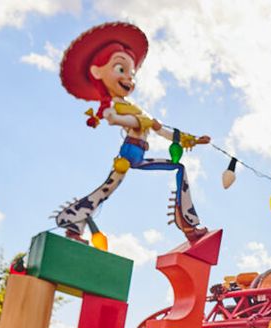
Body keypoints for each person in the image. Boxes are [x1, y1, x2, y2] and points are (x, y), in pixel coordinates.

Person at [55, 22, 209, 241]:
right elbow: (112, 119)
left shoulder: (138, 111)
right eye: (121, 69)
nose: (129, 78)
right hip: (128, 155)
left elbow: (164, 131)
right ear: (97, 72)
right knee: (106, 191)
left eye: (131, 73)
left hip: (139, 154)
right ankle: (73, 222)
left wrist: (193, 140)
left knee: (178, 168)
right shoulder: (115, 106)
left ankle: (187, 223)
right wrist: (138, 121)